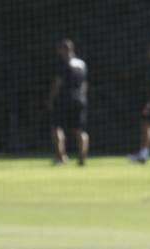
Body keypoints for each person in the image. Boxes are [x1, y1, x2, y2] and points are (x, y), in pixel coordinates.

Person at [48, 38, 89, 166]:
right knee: (79, 129)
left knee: (57, 128)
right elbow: (85, 83)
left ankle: (60, 156)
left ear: (65, 49)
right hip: (80, 100)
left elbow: (57, 83)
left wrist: (51, 99)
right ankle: (82, 157)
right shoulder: (82, 64)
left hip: (64, 100)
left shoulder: (64, 63)